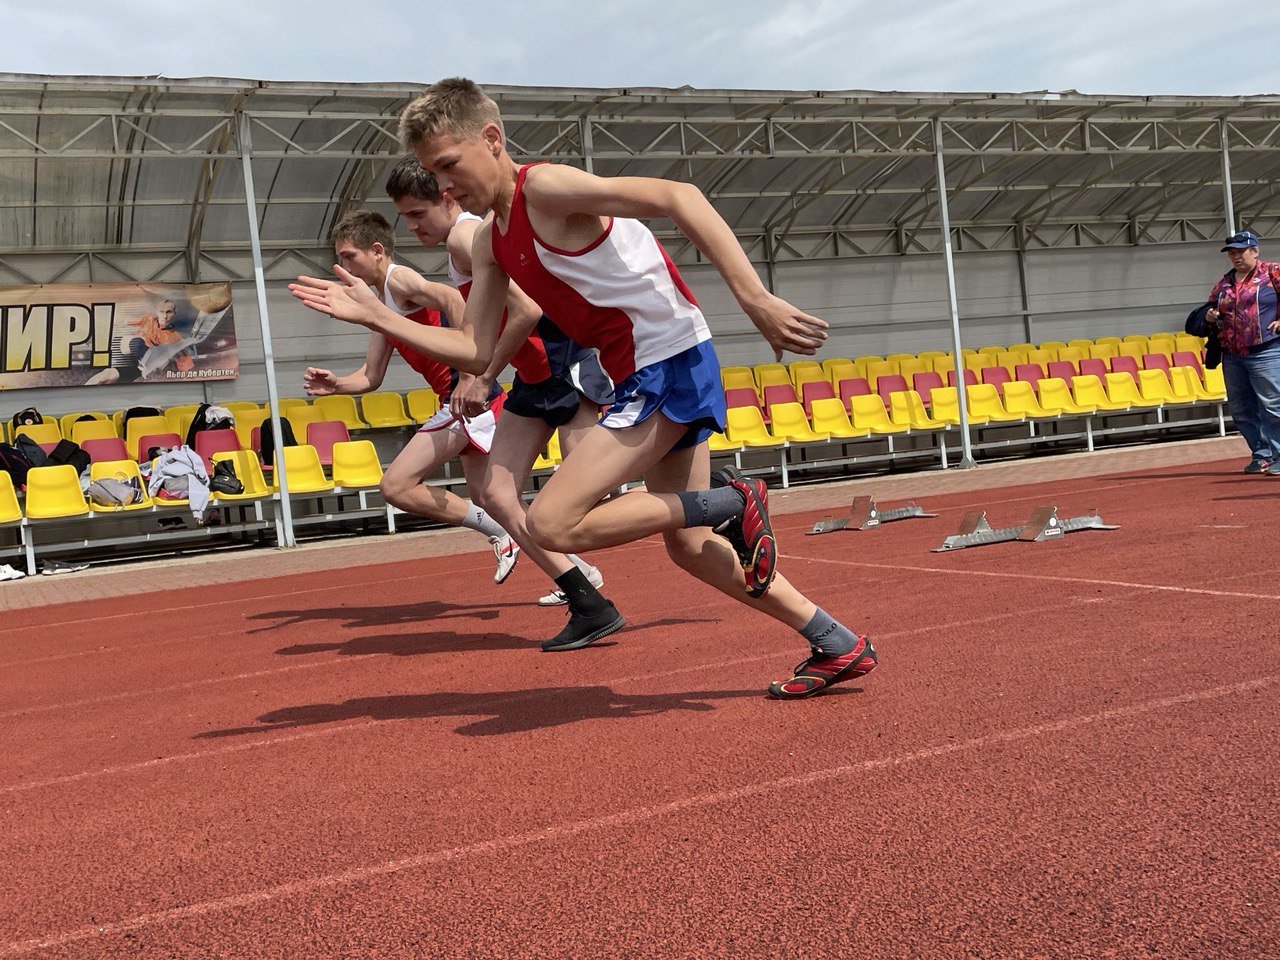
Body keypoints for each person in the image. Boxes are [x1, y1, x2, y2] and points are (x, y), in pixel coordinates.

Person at [384, 77, 875, 699]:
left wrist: (755, 298)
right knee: (691, 549)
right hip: (641, 369)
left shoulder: (547, 188)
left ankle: (735, 501)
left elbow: (679, 194)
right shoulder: (489, 239)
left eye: (449, 166)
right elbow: (477, 351)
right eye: (434, 173)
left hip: (666, 358)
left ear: (492, 139)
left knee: (554, 522)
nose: (443, 185)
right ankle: (835, 641)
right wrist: (377, 316)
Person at [382, 156, 624, 648]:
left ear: (447, 199)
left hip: (562, 365)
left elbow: (527, 311)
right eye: (404, 217)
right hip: (535, 378)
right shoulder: (466, 241)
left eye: (416, 214)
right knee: (496, 495)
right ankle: (588, 601)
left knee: (589, 499)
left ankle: (718, 502)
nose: (410, 228)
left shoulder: (464, 238)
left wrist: (481, 376)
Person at [302, 210, 524, 585]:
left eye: (348, 256)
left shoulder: (399, 280)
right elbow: (371, 377)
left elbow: (454, 300)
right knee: (492, 499)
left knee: (396, 485)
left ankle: (501, 536)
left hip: (466, 401)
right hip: (460, 403)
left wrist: (467, 377)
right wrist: (337, 385)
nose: (343, 265)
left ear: (376, 251)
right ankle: (578, 573)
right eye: (339, 258)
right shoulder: (378, 307)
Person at [1196, 230, 1280, 475]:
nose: (1236, 256)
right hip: (1232, 354)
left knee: (1273, 405)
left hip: (1266, 351)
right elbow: (1210, 308)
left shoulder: (1273, 273)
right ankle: (1261, 454)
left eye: (1241, 251)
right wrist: (1210, 316)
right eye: (1232, 252)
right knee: (1241, 409)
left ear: (1255, 251)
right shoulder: (1223, 284)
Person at [86, 298, 193, 385]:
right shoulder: (147, 320)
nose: (165, 316)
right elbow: (122, 323)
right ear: (157, 312)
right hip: (130, 354)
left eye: (169, 312)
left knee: (108, 378)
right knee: (105, 376)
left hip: (139, 367)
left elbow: (185, 368)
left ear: (174, 313)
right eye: (162, 312)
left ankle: (150, 361)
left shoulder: (177, 338)